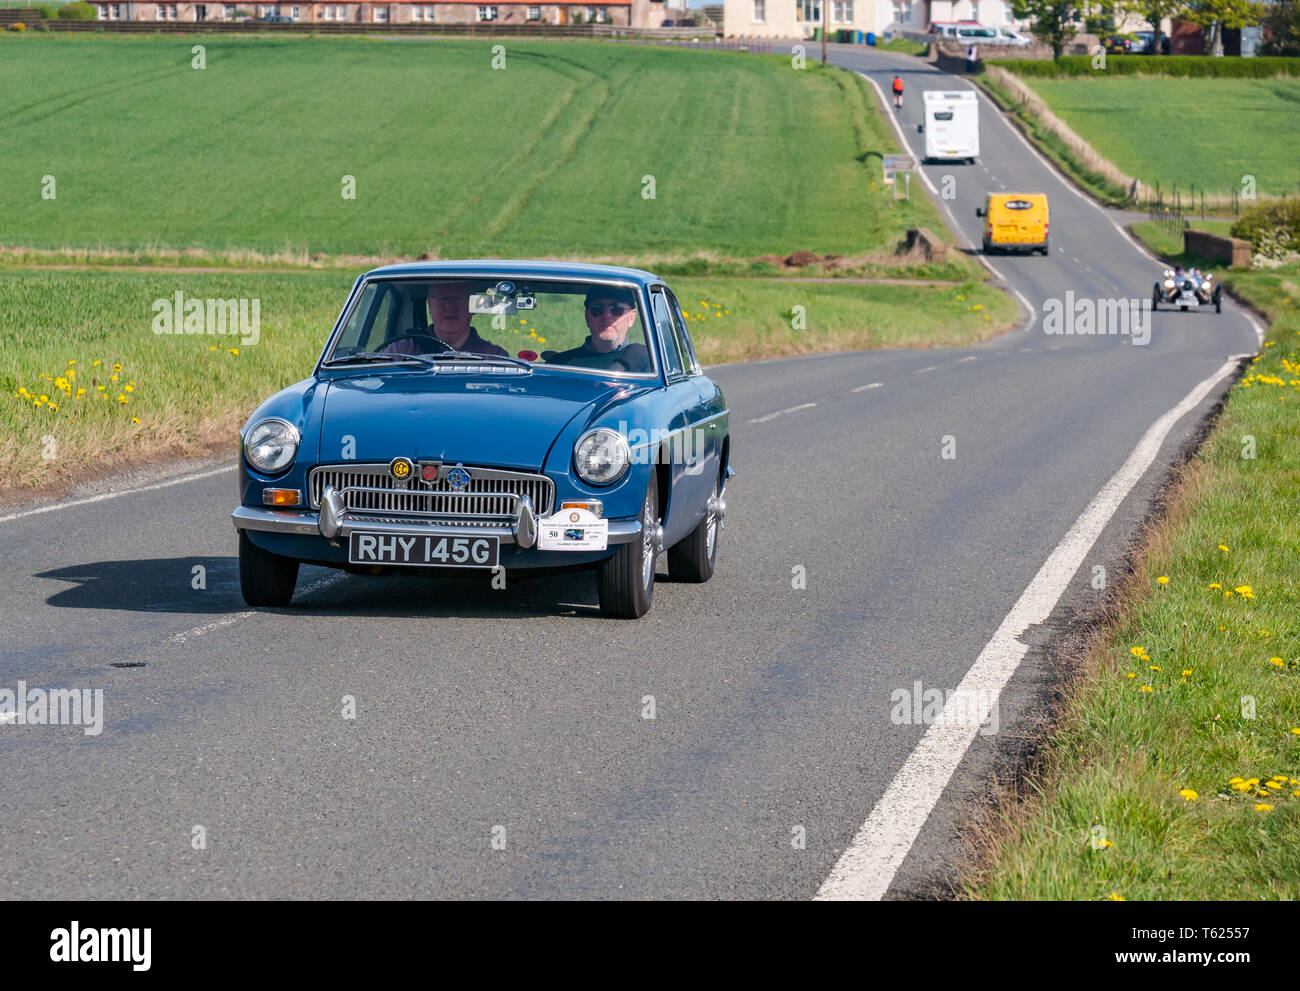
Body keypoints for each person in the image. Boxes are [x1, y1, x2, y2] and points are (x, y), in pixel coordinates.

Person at [381, 280, 508, 357]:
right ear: (430, 305)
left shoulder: (494, 358)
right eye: (442, 299)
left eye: (458, 299)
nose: (449, 306)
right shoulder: (400, 353)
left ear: (473, 306)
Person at [546, 289, 650, 373]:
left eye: (616, 309)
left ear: (632, 318)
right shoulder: (558, 364)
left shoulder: (650, 363)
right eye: (597, 309)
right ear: (587, 317)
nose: (606, 316)